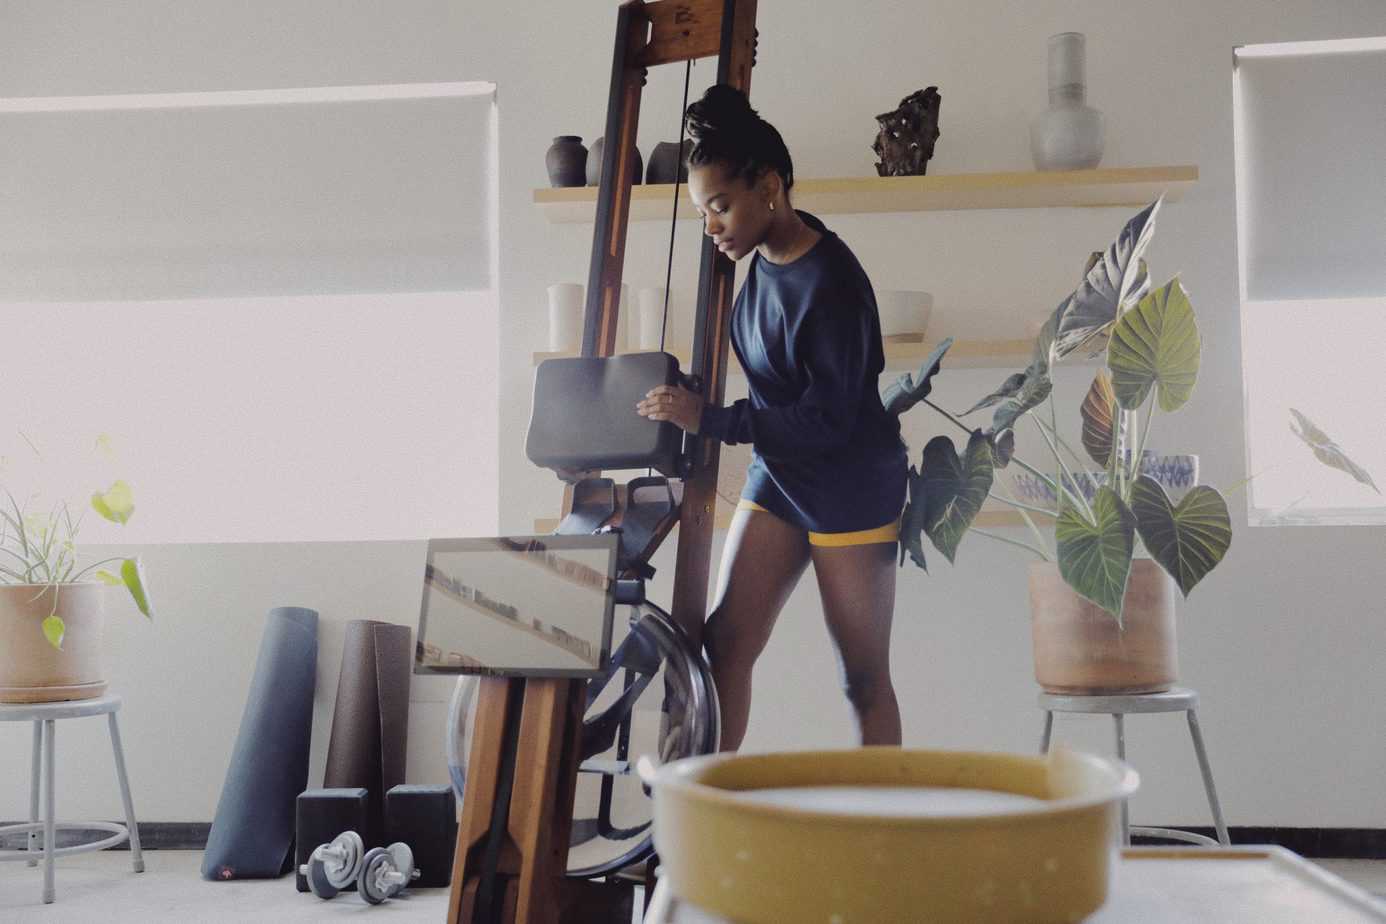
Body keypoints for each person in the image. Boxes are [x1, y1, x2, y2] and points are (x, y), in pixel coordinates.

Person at [635, 84, 908, 750]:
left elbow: (828, 421)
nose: (713, 227)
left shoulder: (831, 283)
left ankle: (886, 842)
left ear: (771, 187)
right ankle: (711, 817)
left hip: (850, 484)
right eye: (705, 212)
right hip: (782, 474)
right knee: (725, 642)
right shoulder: (762, 258)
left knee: (862, 678)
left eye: (721, 207)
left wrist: (714, 420)